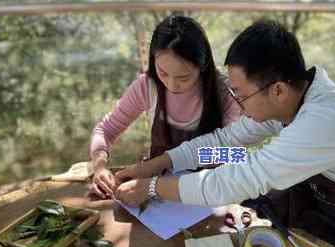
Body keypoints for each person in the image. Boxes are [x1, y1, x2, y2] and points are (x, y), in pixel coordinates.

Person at [114, 20, 335, 247]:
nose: (238, 105)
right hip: (325, 196)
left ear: (278, 90)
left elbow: (238, 177)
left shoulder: (324, 121)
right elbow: (224, 142)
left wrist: (151, 188)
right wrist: (156, 165)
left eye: (241, 94)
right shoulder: (291, 99)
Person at [89, 15, 241, 199]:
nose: (172, 84)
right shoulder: (147, 86)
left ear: (203, 66)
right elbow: (105, 130)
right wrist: (99, 166)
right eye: (163, 72)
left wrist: (162, 166)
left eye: (183, 77)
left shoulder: (226, 92)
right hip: (154, 196)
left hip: (211, 193)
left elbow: (234, 154)